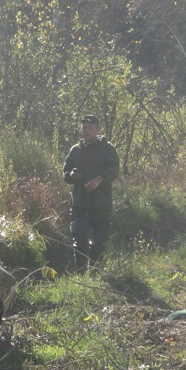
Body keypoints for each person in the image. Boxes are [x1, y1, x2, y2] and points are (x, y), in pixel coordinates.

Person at [63, 114, 120, 271]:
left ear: (97, 129)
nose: (87, 131)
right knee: (80, 239)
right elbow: (66, 173)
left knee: (99, 243)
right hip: (80, 204)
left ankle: (96, 274)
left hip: (101, 204)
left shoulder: (108, 149)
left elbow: (114, 170)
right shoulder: (75, 150)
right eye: (84, 127)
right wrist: (72, 176)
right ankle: (81, 273)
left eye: (90, 128)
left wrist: (100, 178)